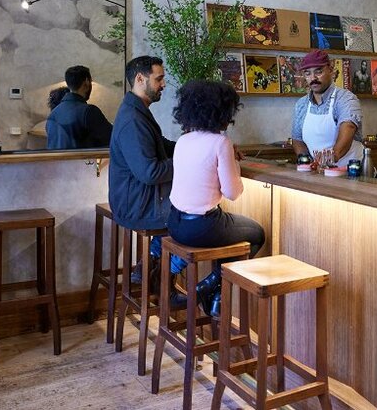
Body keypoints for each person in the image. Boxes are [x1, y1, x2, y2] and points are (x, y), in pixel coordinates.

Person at [168, 80, 265, 317]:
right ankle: (209, 287)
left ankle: (215, 296)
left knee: (233, 232)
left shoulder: (183, 140)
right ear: (223, 112)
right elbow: (233, 192)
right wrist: (234, 163)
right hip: (203, 227)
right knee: (258, 234)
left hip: (175, 224)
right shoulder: (221, 143)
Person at [108, 56, 186, 307]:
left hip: (140, 198)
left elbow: (162, 146)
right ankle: (163, 283)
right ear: (140, 79)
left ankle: (151, 266)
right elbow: (150, 172)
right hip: (138, 205)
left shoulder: (137, 111)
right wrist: (192, 162)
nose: (164, 84)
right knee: (197, 219)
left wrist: (193, 147)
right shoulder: (132, 119)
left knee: (194, 215)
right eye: (159, 78)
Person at [291, 49, 364, 167]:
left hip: (351, 172)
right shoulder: (301, 104)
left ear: (330, 70)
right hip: (319, 172)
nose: (313, 78)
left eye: (318, 71)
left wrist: (333, 156)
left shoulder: (345, 99)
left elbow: (348, 127)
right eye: (308, 73)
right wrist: (305, 160)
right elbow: (297, 139)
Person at [46, 66, 113, 149]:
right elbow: (112, 138)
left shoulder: (52, 115)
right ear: (86, 82)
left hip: (57, 162)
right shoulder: (89, 111)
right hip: (82, 161)